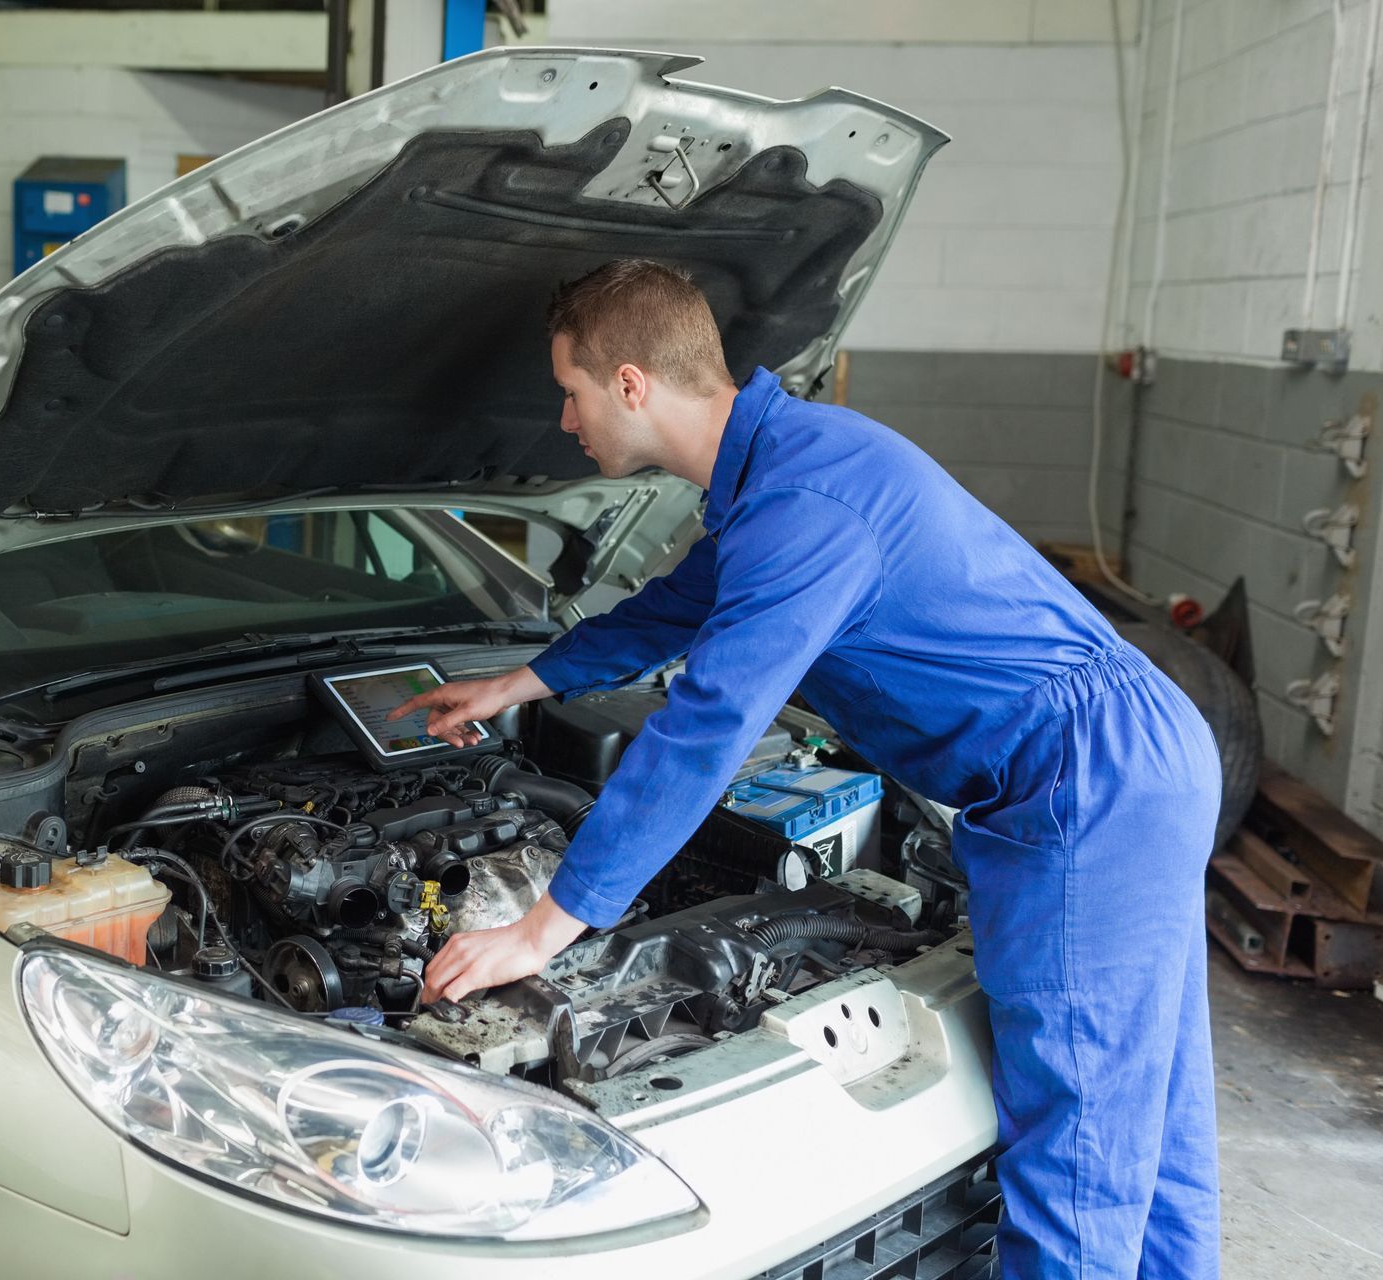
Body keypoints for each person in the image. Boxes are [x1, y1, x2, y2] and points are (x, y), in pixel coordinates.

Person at [389, 259, 1222, 1279]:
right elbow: (670, 609)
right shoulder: (777, 472)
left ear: (633, 384)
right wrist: (514, 684)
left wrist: (547, 922)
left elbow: (710, 722)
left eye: (571, 393)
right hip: (1130, 755)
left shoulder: (804, 503)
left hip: (1085, 779)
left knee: (1079, 1146)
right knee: (1149, 1115)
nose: (566, 423)